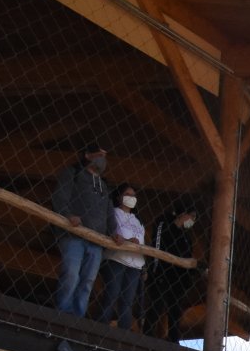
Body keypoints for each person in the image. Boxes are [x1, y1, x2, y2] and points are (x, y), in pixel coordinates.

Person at [50, 145, 111, 316]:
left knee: (88, 281)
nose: (102, 158)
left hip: (96, 240)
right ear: (87, 155)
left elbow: (109, 211)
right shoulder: (73, 174)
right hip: (73, 235)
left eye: (105, 156)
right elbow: (60, 196)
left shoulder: (103, 186)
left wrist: (113, 231)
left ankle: (78, 315)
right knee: (71, 274)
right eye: (99, 154)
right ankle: (63, 312)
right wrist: (68, 215)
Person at [141, 203, 200, 341]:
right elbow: (158, 245)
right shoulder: (163, 223)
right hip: (161, 273)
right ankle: (146, 337)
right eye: (190, 216)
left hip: (177, 278)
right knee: (157, 305)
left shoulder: (186, 237)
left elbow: (187, 257)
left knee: (176, 311)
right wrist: (154, 270)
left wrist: (189, 277)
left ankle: (174, 340)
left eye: (194, 218)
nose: (192, 220)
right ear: (182, 214)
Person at [98, 183, 146, 330]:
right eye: (128, 194)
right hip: (116, 259)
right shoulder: (113, 213)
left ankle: (123, 334)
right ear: (119, 197)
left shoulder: (138, 220)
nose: (132, 198)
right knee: (111, 296)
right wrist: (127, 241)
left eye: (134, 195)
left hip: (135, 264)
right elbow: (111, 233)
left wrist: (144, 268)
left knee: (128, 302)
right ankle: (100, 329)